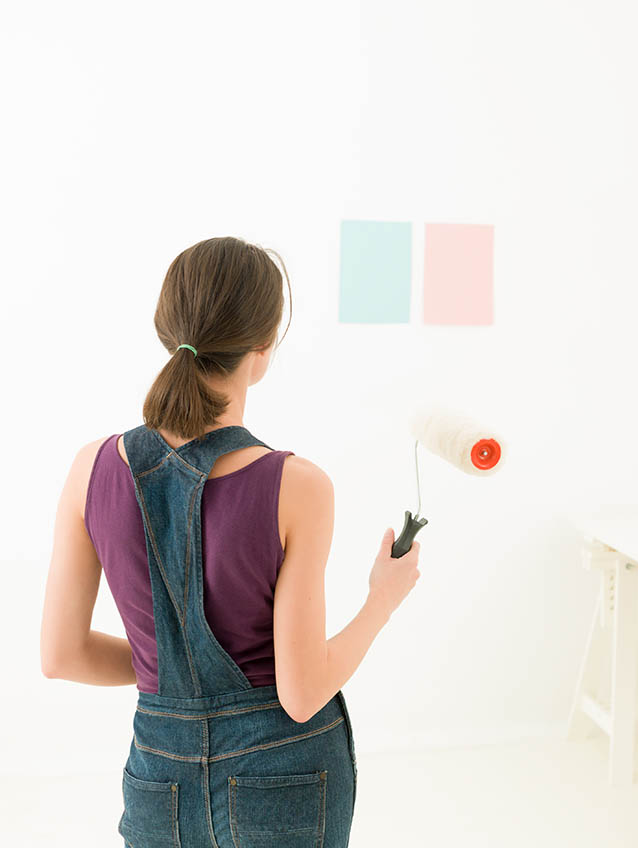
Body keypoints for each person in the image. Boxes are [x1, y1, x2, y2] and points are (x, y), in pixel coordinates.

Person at [39, 236, 421, 847]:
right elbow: (301, 695)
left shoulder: (92, 468)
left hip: (156, 781)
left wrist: (167, 676)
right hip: (285, 776)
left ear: (169, 329)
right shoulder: (296, 485)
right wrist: (383, 598)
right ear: (263, 348)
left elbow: (62, 656)